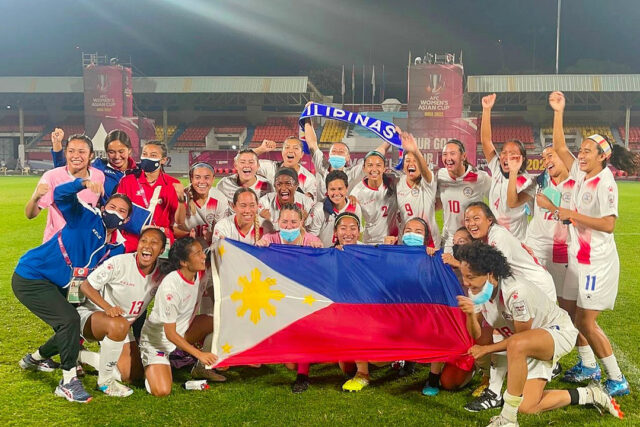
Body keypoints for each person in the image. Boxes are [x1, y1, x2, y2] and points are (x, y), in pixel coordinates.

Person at [456, 241, 622, 427]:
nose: (465, 282)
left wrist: (487, 349)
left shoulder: (516, 292)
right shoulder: (477, 292)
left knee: (516, 345)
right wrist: (471, 315)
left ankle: (508, 419)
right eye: (464, 276)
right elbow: (478, 335)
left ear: (490, 274)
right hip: (529, 342)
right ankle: (591, 394)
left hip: (558, 332)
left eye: (470, 277)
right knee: (528, 406)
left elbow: (520, 339)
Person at [537, 91, 635, 396]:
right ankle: (588, 365)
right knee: (571, 314)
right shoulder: (581, 173)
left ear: (602, 156)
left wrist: (571, 214)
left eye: (588, 150)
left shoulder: (606, 183)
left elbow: (609, 224)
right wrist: (558, 111)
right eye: (581, 149)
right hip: (579, 258)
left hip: (597, 263)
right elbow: (560, 146)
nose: (581, 154)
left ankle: (617, 378)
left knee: (587, 322)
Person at [14, 178, 131, 403]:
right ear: (103, 207)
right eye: (111, 206)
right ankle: (67, 381)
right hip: (32, 276)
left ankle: (36, 358)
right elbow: (61, 195)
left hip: (65, 286)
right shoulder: (86, 216)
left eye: (121, 211)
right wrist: (82, 183)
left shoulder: (118, 246)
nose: (114, 212)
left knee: (73, 327)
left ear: (126, 219)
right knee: (68, 321)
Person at [463, 201, 557, 413]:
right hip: (516, 289)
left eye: (476, 218)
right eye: (467, 219)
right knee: (504, 332)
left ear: (490, 220)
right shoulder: (489, 238)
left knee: (516, 338)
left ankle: (501, 389)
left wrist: (480, 298)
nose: (471, 223)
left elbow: (495, 270)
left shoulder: (498, 237)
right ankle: (497, 390)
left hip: (534, 290)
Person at [76, 227, 166, 397]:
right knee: (119, 324)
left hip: (121, 326)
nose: (147, 246)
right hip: (92, 316)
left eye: (154, 243)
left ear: (162, 250)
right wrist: (107, 307)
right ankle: (105, 382)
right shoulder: (119, 263)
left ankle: (80, 355)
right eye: (143, 241)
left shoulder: (162, 271)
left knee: (132, 375)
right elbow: (86, 286)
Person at [139, 237, 222, 397]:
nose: (203, 256)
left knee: (216, 321)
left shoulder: (201, 271)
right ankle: (147, 361)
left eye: (202, 251)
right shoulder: (171, 287)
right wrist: (200, 354)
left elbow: (220, 254)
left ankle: (201, 368)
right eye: (197, 253)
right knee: (162, 391)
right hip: (159, 342)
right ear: (184, 262)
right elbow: (170, 334)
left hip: (183, 332)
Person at [256, 203, 322, 393]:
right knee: (289, 363)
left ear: (301, 222)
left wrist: (319, 252)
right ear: (278, 221)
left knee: (303, 333)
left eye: (293, 222)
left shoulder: (311, 241)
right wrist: (258, 248)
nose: (289, 226)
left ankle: (303, 374)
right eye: (284, 222)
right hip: (279, 298)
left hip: (303, 298)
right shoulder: (270, 239)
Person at [25, 133, 105, 242]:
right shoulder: (52, 177)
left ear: (91, 155)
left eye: (81, 152)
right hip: (56, 245)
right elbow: (30, 215)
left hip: (82, 244)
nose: (76, 156)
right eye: (71, 151)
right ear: (66, 153)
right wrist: (35, 198)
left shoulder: (98, 176)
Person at [524, 143, 576, 310]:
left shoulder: (576, 185)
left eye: (550, 156)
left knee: (567, 308)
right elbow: (514, 202)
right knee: (535, 302)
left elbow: (578, 221)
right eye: (543, 158)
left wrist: (550, 207)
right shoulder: (540, 182)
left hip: (562, 253)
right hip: (537, 248)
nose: (546, 161)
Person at [301, 106, 390, 200]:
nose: (337, 153)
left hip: (346, 209)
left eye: (341, 152)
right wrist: (308, 115)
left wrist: (391, 139)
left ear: (348, 157)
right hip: (322, 209)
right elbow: (312, 143)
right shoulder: (321, 166)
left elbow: (375, 155)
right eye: (334, 151)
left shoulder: (353, 174)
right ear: (329, 156)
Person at [480, 94, 535, 240]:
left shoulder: (527, 182)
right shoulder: (497, 168)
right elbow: (486, 141)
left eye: (513, 154)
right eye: (504, 152)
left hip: (516, 242)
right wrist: (486, 110)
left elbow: (529, 210)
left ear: (522, 159)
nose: (507, 157)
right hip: (494, 239)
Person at [117, 141, 185, 252]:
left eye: (153, 155)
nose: (147, 158)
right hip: (132, 242)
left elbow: (180, 221)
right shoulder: (127, 181)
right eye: (144, 154)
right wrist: (138, 228)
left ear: (163, 160)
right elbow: (118, 214)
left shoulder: (173, 184)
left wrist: (181, 201)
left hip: (161, 243)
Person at [52, 128, 137, 205]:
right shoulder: (98, 166)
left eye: (121, 152)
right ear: (106, 152)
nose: (117, 156)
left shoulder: (139, 172)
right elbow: (65, 171)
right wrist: (57, 144)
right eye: (111, 152)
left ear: (129, 150)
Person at [437, 139, 491, 252]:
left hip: (472, 238)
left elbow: (496, 201)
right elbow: (439, 203)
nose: (448, 158)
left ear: (463, 156)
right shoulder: (440, 176)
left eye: (452, 153)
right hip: (450, 237)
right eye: (445, 154)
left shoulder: (480, 178)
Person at [394, 129, 440, 248]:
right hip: (405, 240)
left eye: (415, 161)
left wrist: (415, 150)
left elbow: (426, 172)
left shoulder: (427, 182)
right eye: (407, 161)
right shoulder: (398, 184)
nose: (411, 164)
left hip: (429, 242)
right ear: (403, 165)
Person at [350, 151, 398, 244]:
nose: (374, 169)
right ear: (364, 168)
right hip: (371, 242)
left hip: (394, 240)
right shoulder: (357, 192)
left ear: (384, 168)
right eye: (370, 165)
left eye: (378, 165)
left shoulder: (394, 182)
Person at [176, 162, 228, 245]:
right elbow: (173, 229)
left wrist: (212, 236)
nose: (202, 181)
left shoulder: (219, 199)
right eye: (197, 177)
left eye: (206, 177)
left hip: (209, 247)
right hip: (184, 246)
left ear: (213, 179)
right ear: (191, 179)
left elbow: (221, 230)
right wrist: (188, 236)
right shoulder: (182, 197)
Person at [307, 170, 362, 247]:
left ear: (347, 189)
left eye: (340, 189)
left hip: (345, 252)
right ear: (327, 190)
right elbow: (311, 238)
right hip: (324, 252)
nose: (336, 193)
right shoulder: (319, 209)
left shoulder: (354, 206)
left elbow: (358, 234)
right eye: (332, 189)